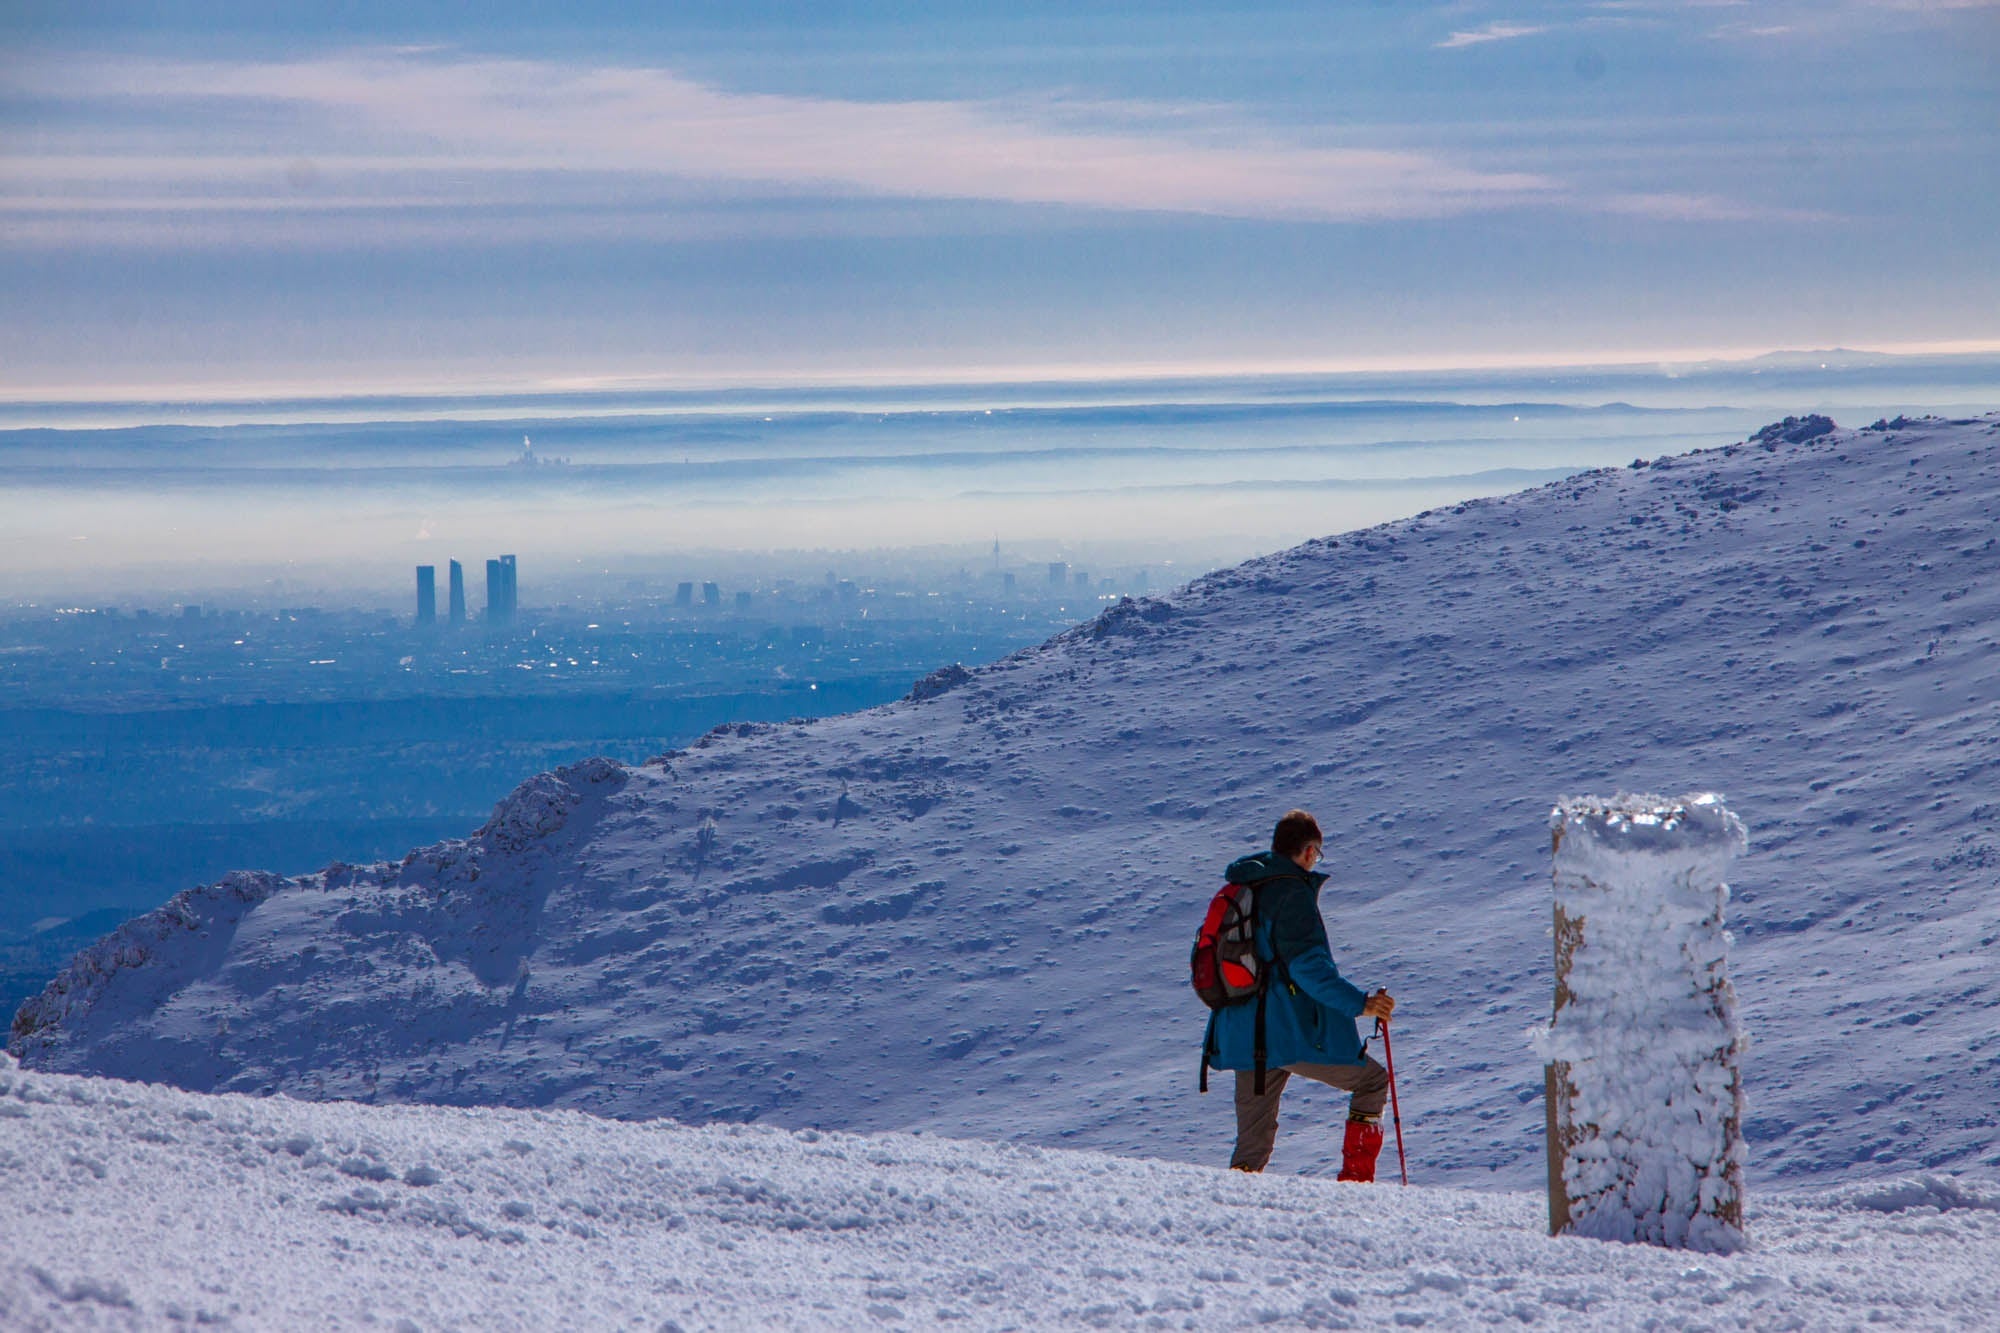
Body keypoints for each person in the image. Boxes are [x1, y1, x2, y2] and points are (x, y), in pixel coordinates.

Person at [1201, 809, 1396, 1180]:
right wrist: (1362, 1003)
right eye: (1317, 854)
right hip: (1286, 1032)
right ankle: (1356, 1186)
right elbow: (1309, 969)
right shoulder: (1291, 894)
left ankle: (1234, 1211)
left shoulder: (1246, 887)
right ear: (1308, 852)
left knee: (1252, 1143)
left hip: (1241, 1030)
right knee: (1371, 1082)